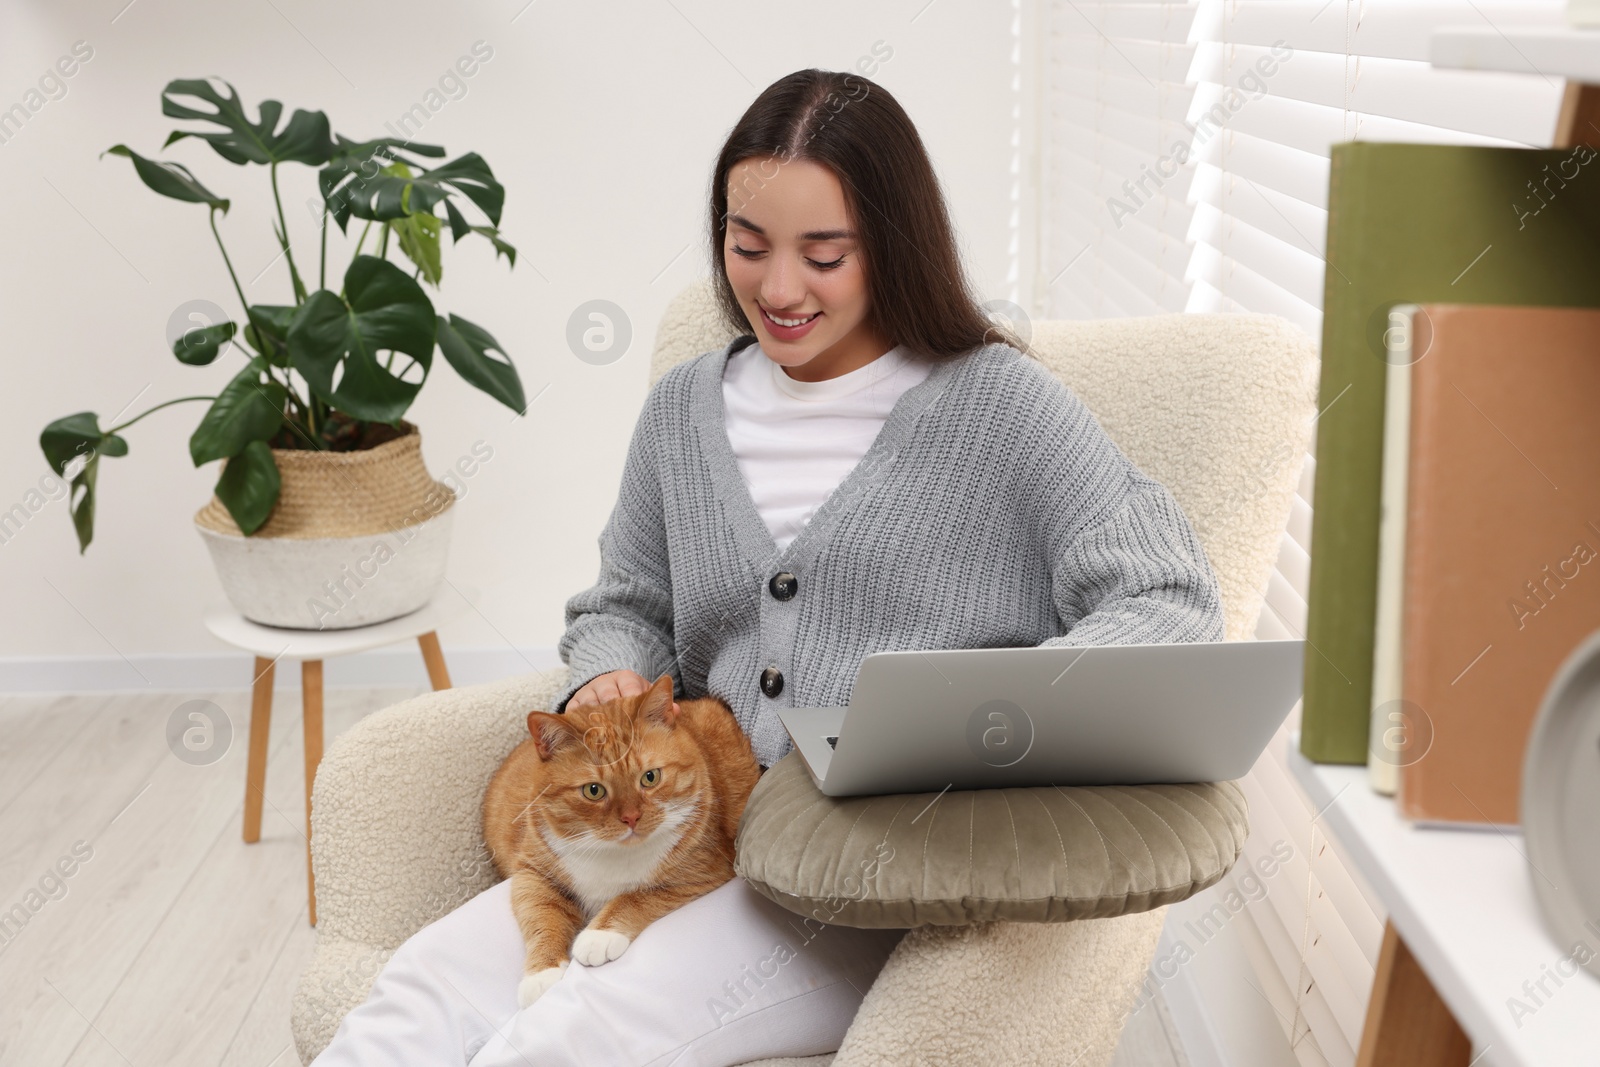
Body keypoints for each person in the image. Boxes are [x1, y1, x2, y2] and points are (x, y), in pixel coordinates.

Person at [312, 67, 1224, 1067]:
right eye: (747, 247)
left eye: (822, 254)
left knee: (572, 1029)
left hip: (864, 878)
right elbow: (625, 601)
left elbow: (1165, 597)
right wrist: (605, 675)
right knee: (413, 996)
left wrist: (998, 706)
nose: (777, 289)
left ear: (892, 245)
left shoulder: (1002, 405)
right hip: (681, 843)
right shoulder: (683, 408)